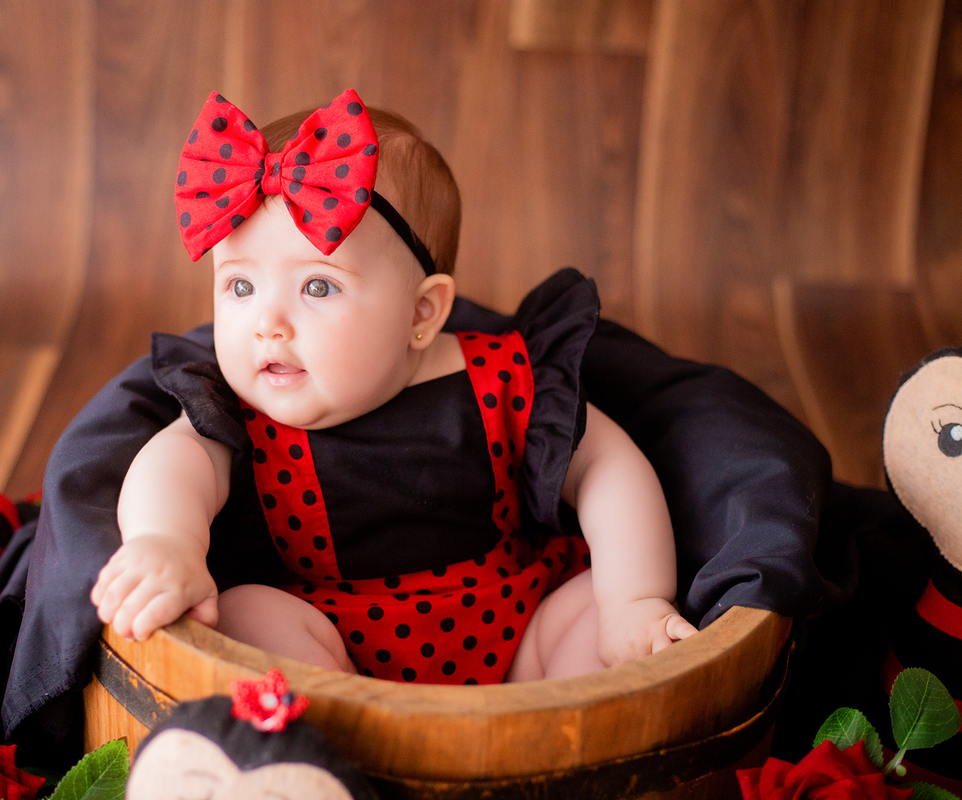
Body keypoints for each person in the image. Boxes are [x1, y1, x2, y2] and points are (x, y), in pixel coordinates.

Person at [87, 89, 697, 685]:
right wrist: (167, 541)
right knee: (247, 612)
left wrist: (634, 599)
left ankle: (554, 738)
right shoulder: (241, 409)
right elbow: (175, 462)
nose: (267, 325)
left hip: (517, 638)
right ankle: (339, 750)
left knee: (589, 604)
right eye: (241, 287)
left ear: (421, 315)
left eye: (318, 287)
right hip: (331, 642)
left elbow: (606, 466)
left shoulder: (504, 378)